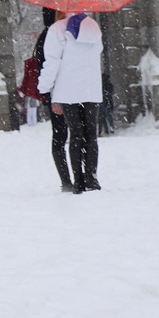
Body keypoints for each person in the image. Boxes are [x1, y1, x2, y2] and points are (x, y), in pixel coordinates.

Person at [38, 10, 104, 192]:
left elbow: (51, 62)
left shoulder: (57, 29)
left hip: (67, 89)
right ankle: (92, 178)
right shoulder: (93, 26)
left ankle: (78, 181)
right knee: (91, 135)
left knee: (76, 134)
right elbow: (97, 52)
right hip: (91, 88)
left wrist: (44, 87)